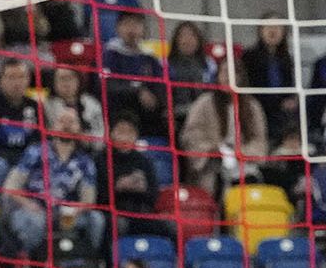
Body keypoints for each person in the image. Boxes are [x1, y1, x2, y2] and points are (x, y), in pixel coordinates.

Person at [1, 108, 105, 260]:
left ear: (79, 129)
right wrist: (28, 204)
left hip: (65, 213)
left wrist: (75, 210)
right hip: (32, 209)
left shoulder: (85, 162)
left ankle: (87, 264)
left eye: (72, 122)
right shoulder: (35, 152)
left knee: (97, 219)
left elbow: (88, 201)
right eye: (62, 121)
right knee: (36, 221)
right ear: (52, 127)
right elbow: (10, 188)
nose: (66, 126)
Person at [179, 59, 269, 194]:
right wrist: (212, 150)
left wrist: (241, 152)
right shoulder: (203, 104)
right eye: (225, 72)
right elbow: (190, 136)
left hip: (244, 164)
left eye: (234, 73)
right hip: (212, 165)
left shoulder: (252, 107)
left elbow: (259, 140)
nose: (229, 77)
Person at [98, 12, 170, 139]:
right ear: (118, 28)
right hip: (116, 117)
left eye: (136, 24)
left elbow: (161, 85)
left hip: (147, 120)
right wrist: (137, 91)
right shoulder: (108, 55)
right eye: (127, 24)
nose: (132, 29)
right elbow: (106, 86)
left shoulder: (150, 58)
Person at [0, 59, 44, 189]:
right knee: (0, 166)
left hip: (25, 162)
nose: (17, 83)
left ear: (28, 80)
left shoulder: (35, 107)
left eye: (21, 77)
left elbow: (40, 141)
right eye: (11, 78)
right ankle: (3, 208)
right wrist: (19, 162)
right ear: (1, 81)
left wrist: (25, 162)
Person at [239, 11, 300, 143]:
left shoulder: (286, 58)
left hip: (282, 113)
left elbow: (290, 87)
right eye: (268, 27)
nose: (273, 31)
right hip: (257, 109)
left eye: (278, 27)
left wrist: (290, 99)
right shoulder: (249, 57)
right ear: (260, 31)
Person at [43, 66, 104, 140]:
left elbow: (100, 136)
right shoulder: (46, 105)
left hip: (87, 148)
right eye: (62, 79)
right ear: (53, 83)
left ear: (78, 80)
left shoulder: (92, 104)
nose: (66, 83)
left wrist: (81, 135)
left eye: (70, 78)